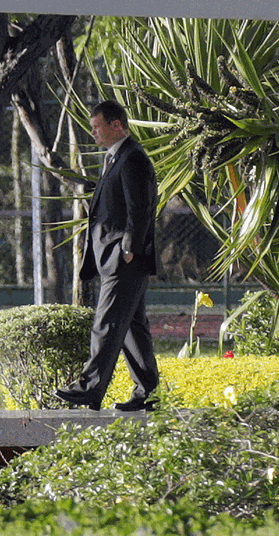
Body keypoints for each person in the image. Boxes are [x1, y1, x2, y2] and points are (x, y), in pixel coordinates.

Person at [55, 100, 160, 412]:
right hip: (117, 257)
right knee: (132, 328)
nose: (93, 132)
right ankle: (147, 393)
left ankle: (89, 388)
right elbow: (112, 201)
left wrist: (128, 248)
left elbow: (139, 207)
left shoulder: (133, 158)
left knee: (107, 324)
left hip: (124, 258)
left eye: (98, 126)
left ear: (118, 125)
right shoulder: (116, 158)